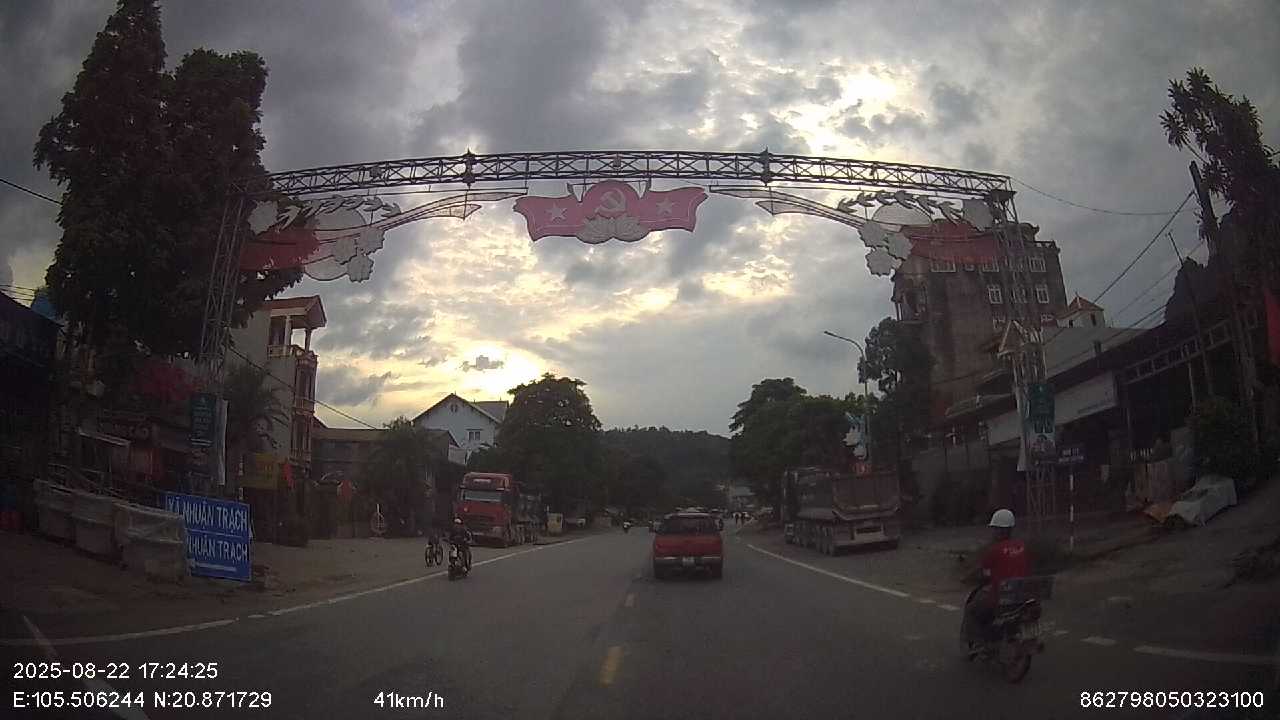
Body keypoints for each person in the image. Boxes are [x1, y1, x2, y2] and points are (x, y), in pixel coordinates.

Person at [963, 508, 1029, 644]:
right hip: (1023, 597)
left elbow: (982, 569)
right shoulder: (1022, 546)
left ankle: (978, 641)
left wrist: (966, 578)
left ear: (1001, 530)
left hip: (1001, 599)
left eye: (995, 529)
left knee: (971, 610)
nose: (993, 533)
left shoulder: (995, 550)